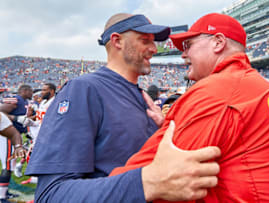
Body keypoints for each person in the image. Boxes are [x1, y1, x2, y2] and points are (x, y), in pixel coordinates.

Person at [110, 13, 269, 202]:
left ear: (218, 43)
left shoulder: (219, 90)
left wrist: (94, 191)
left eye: (188, 45)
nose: (183, 55)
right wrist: (177, 125)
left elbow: (151, 179)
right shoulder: (255, 84)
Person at [25, 13, 220, 202]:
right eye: (145, 40)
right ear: (117, 41)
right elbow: (51, 194)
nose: (154, 48)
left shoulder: (141, 96)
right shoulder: (84, 89)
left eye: (154, 42)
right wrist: (146, 183)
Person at [21, 83, 57, 185]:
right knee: (32, 155)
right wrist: (31, 122)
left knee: (41, 157)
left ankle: (44, 181)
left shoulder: (55, 102)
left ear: (52, 91)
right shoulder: (43, 103)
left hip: (49, 134)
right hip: (40, 133)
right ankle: (35, 179)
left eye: (45, 90)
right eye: (42, 89)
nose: (42, 92)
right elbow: (40, 120)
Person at [0, 112, 26, 203]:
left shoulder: (2, 117)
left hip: (7, 135)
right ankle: (1, 196)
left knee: (9, 166)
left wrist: (18, 146)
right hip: (5, 138)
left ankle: (3, 194)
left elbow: (14, 133)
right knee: (7, 166)